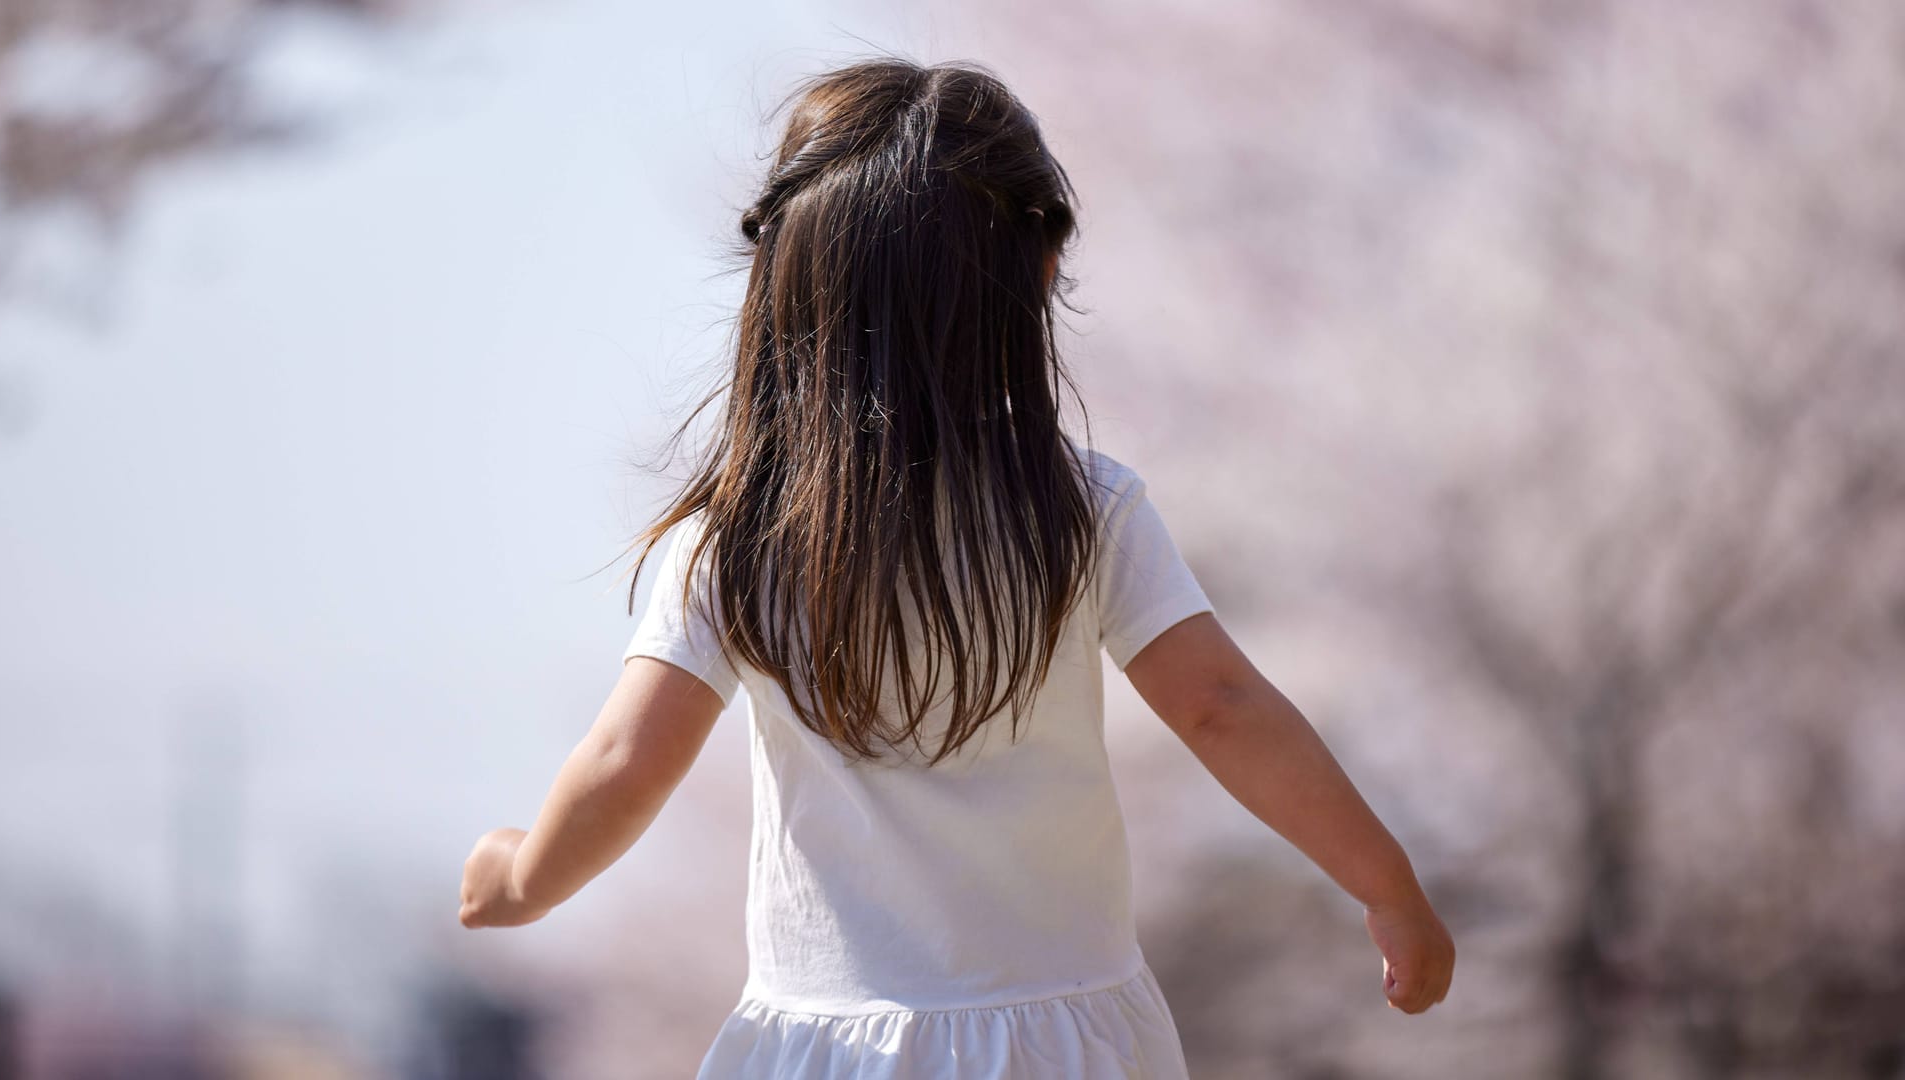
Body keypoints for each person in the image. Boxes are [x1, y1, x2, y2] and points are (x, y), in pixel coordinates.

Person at [458, 54, 1454, 1078]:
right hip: (1062, 1037)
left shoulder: (741, 539)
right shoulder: (1076, 509)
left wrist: (524, 875)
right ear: (1036, 277)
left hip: (825, 1043)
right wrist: (1386, 883)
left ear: (783, 287)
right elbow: (1222, 706)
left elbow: (627, 764)